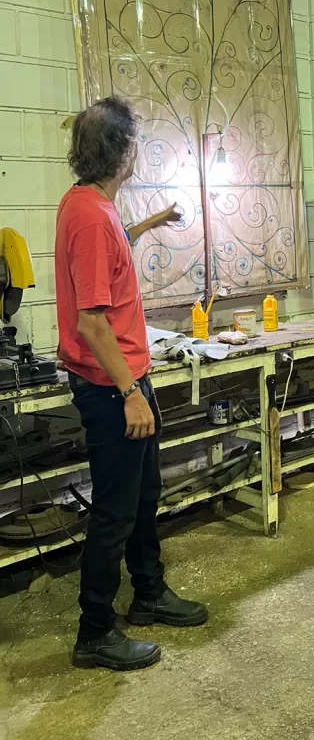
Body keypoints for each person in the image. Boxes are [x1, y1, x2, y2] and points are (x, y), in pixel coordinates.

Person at [55, 97, 207, 672]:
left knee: (143, 498)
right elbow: (92, 321)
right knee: (116, 511)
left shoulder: (88, 205)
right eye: (135, 140)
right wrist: (130, 392)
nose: (138, 148)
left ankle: (148, 594)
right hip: (109, 384)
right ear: (121, 151)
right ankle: (94, 630)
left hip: (122, 376)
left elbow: (115, 244)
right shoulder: (92, 217)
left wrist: (153, 222)